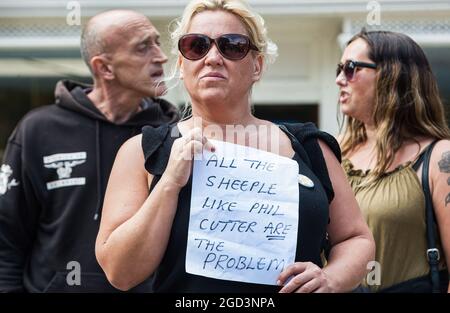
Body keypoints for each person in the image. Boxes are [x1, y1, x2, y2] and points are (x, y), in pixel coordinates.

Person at [96, 0, 374, 293]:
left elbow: (356, 238)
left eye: (232, 45)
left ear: (257, 65)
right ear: (181, 63)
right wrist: (168, 184)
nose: (213, 57)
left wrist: (331, 279)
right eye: (196, 46)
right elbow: (120, 272)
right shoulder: (142, 150)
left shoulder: (309, 145)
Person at [0, 10, 179, 292]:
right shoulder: (38, 130)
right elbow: (6, 236)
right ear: (104, 68)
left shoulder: (173, 135)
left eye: (157, 42)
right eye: (143, 47)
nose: (160, 56)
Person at [337, 29, 450, 292]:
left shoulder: (439, 157)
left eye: (351, 68)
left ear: (393, 75)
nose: (340, 79)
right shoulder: (334, 152)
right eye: (339, 69)